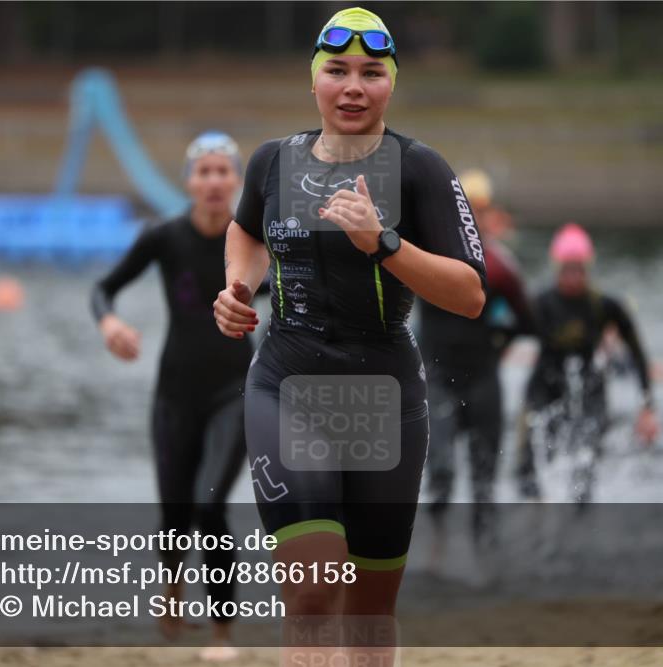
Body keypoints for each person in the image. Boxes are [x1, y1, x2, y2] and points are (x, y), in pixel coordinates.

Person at [212, 7, 486, 664]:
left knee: (367, 610)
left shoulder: (421, 169)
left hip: (385, 396)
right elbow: (245, 230)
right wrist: (239, 287)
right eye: (337, 71)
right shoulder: (272, 161)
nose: (353, 86)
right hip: (287, 384)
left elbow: (470, 294)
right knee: (310, 591)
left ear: (392, 83)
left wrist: (383, 242)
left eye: (371, 72)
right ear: (314, 82)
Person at [90, 131, 248, 661]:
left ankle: (223, 633)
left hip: (235, 391)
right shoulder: (163, 237)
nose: (212, 181)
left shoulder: (253, 241)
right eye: (203, 172)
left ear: (237, 181)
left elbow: (298, 296)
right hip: (175, 393)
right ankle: (173, 587)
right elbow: (103, 288)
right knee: (174, 512)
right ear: (188, 181)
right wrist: (110, 323)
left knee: (209, 505)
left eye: (222, 171)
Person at [419, 170, 534, 545]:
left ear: (488, 215)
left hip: (484, 378)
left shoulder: (500, 267)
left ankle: (485, 563)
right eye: (462, 208)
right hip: (438, 378)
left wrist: (500, 346)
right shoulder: (425, 256)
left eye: (478, 210)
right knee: (442, 470)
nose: (470, 217)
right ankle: (436, 553)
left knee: (484, 480)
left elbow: (528, 321)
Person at [514, 223, 660, 503]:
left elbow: (638, 353)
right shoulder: (539, 304)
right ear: (556, 268)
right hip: (546, 390)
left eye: (578, 269)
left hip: (590, 391)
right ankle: (537, 523)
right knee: (531, 468)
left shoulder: (604, 306)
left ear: (588, 268)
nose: (572, 277)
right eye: (566, 269)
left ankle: (580, 524)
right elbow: (504, 336)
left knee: (585, 468)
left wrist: (648, 407)